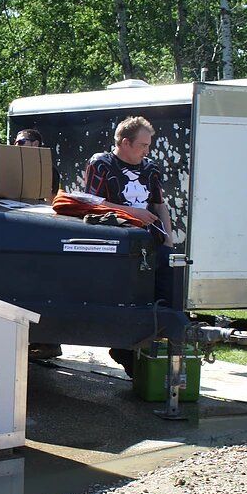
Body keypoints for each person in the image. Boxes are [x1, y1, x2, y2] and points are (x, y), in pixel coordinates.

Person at [83, 117, 175, 376]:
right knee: (126, 301)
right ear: (125, 143)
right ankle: (124, 349)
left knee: (167, 296)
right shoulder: (102, 163)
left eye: (149, 145)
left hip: (152, 243)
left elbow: (159, 205)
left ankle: (160, 353)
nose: (147, 150)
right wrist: (132, 212)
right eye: (143, 145)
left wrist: (169, 240)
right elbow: (90, 203)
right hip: (117, 245)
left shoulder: (151, 168)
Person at [13, 128, 61, 198]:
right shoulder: (14, 167)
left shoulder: (48, 170)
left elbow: (50, 199)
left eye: (21, 142)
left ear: (35, 144)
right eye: (15, 143)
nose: (16, 146)